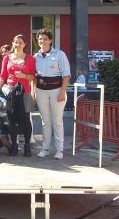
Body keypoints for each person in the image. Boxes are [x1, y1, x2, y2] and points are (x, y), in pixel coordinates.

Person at [0, 34, 36, 157]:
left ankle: (27, 146)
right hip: (10, 92)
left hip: (25, 93)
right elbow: (3, 75)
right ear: (13, 43)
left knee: (26, 120)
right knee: (11, 121)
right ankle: (14, 145)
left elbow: (34, 77)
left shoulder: (30, 59)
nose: (17, 44)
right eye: (15, 42)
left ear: (24, 45)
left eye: (20, 42)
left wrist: (24, 76)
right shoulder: (7, 58)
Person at [34, 28, 71, 160]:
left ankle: (59, 150)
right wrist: (34, 93)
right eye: (40, 39)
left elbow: (66, 75)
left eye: (45, 39)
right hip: (41, 91)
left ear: (50, 40)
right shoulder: (35, 57)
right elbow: (34, 77)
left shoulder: (60, 55)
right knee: (45, 121)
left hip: (56, 91)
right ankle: (45, 148)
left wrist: (62, 92)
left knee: (57, 121)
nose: (42, 41)